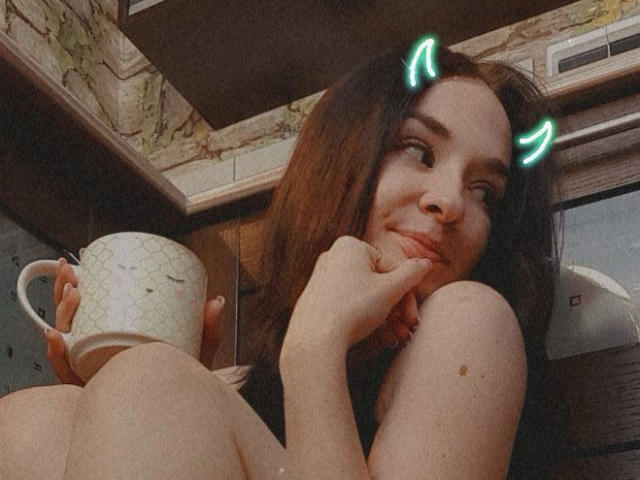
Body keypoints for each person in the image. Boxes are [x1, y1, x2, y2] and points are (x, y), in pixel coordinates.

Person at [0, 41, 561, 479]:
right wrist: (107, 392)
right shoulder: (250, 375)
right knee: (35, 422)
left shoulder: (471, 320)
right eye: (418, 151)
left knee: (150, 384)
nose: (452, 203)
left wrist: (314, 351)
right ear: (340, 158)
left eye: (485, 192)